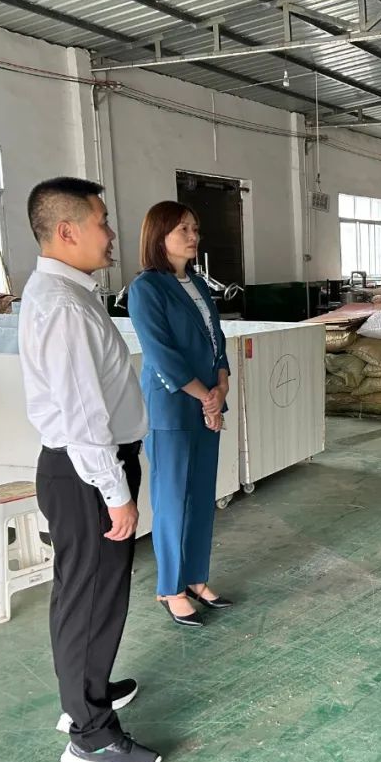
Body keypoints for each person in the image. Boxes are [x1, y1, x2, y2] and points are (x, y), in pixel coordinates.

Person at [18, 177, 161, 762]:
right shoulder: (63, 306)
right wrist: (116, 491)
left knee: (88, 591)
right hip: (86, 472)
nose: (111, 233)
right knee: (91, 596)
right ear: (66, 230)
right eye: (101, 222)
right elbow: (82, 416)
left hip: (84, 469)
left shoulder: (67, 294)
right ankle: (90, 735)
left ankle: (86, 692)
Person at [127, 201, 232, 628]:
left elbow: (216, 340)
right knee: (173, 497)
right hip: (172, 406)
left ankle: (195, 577)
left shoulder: (197, 283)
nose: (193, 237)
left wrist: (221, 386)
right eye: (183, 230)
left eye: (195, 228)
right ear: (159, 236)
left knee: (201, 493)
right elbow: (161, 354)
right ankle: (169, 588)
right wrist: (206, 396)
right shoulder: (146, 288)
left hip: (208, 400)